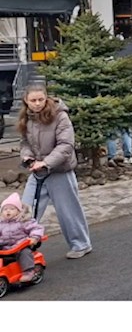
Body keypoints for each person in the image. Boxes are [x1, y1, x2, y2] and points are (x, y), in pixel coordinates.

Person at [16, 83, 92, 259]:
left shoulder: (60, 116)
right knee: (25, 209)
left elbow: (66, 145)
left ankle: (81, 244)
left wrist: (46, 162)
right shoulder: (27, 118)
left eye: (40, 99)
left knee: (68, 211)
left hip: (59, 171)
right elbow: (25, 142)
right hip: (38, 172)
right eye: (33, 100)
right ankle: (18, 247)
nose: (37, 103)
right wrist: (27, 157)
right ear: (26, 101)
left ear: (46, 98)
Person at [0, 192, 44, 283]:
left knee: (25, 253)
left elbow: (36, 228)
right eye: (5, 209)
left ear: (19, 211)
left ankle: (28, 271)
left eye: (12, 209)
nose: (8, 211)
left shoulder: (23, 221)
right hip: (5, 247)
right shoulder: (1, 224)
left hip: (20, 246)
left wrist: (34, 237)